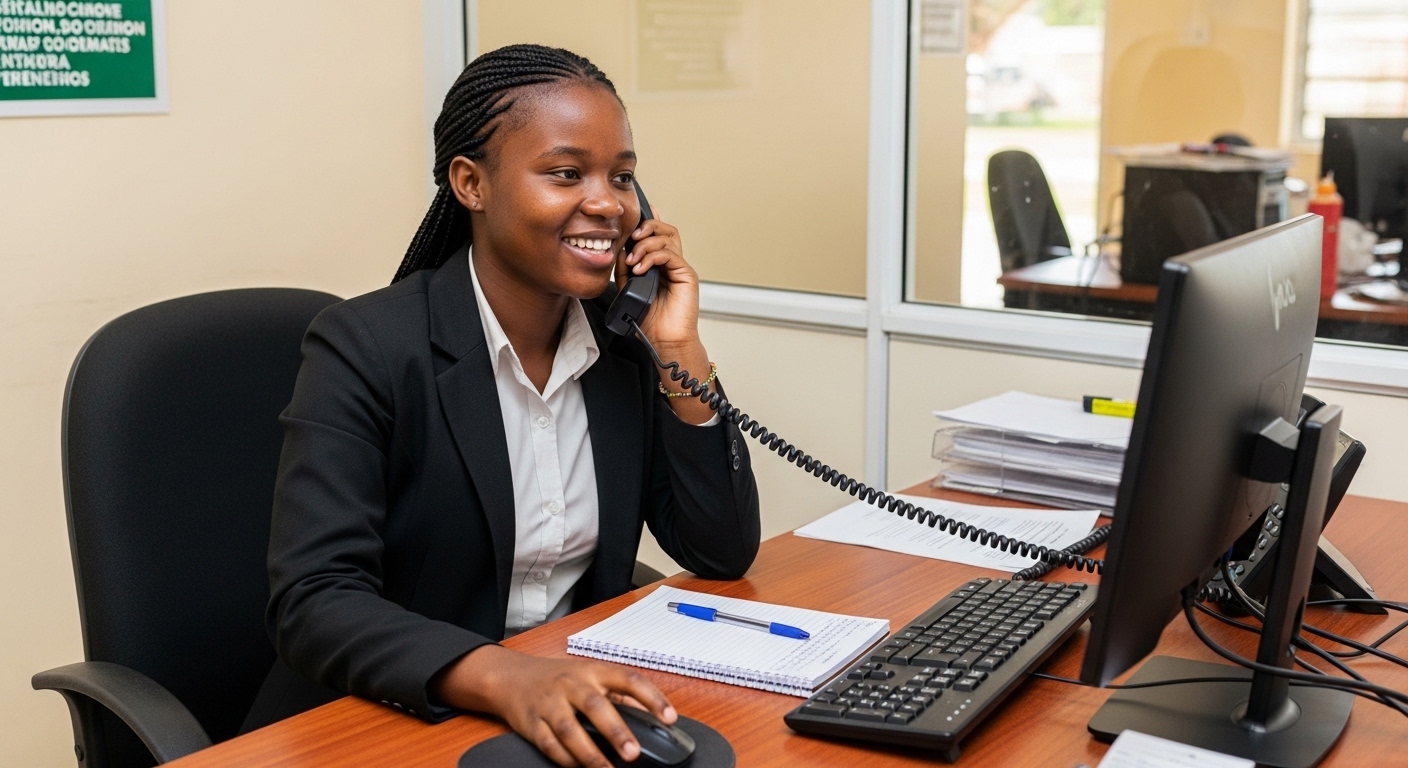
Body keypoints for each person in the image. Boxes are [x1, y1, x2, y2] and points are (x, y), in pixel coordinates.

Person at [246, 44, 761, 768]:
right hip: (383, 723)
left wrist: (679, 352)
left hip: (560, 715)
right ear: (471, 183)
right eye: (565, 173)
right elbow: (315, 600)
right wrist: (507, 675)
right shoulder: (366, 347)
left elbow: (720, 550)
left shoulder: (622, 352)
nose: (608, 203)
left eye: (622, 177)